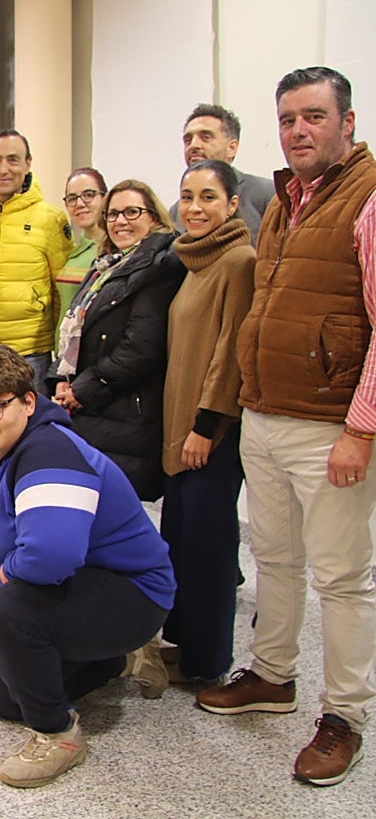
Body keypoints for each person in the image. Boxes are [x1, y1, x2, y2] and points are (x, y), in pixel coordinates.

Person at [195, 66, 376, 787]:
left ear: (347, 123)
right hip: (266, 414)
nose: (299, 131)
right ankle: (272, 675)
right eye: (288, 119)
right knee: (274, 557)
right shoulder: (283, 202)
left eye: (313, 116)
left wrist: (361, 430)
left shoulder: (366, 198)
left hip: (330, 424)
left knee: (342, 578)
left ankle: (346, 715)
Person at [0, 343, 175, 788]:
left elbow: (51, 557)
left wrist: (3, 579)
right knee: (3, 699)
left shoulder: (50, 452)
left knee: (7, 615)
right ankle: (114, 661)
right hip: (80, 583)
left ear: (29, 402)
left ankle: (59, 735)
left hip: (132, 592)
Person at [161, 159, 255, 684]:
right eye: (188, 197)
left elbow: (232, 352)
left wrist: (206, 425)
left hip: (208, 433)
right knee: (183, 541)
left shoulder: (239, 261)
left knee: (211, 552)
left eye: (209, 197)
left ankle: (209, 661)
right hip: (180, 430)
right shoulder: (195, 262)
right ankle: (187, 645)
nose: (195, 208)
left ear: (233, 204)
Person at [50, 179, 185, 502]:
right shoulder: (106, 265)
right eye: (112, 214)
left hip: (121, 408)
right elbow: (73, 325)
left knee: (116, 512)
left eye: (131, 212)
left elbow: (140, 348)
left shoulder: (159, 266)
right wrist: (59, 380)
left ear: (153, 217)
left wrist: (80, 390)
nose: (120, 221)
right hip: (89, 405)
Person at [0, 129, 74, 391]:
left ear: (28, 163)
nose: (4, 169)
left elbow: (62, 290)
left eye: (13, 160)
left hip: (29, 353)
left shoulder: (52, 220)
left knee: (30, 429)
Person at [167, 104, 275, 244]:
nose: (193, 145)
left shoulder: (266, 194)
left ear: (232, 148)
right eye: (188, 140)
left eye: (205, 137)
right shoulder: (177, 211)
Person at [55, 167, 107, 348]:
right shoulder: (74, 252)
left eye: (89, 195)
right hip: (63, 358)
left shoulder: (113, 253)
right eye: (72, 198)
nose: (79, 203)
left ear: (105, 198)